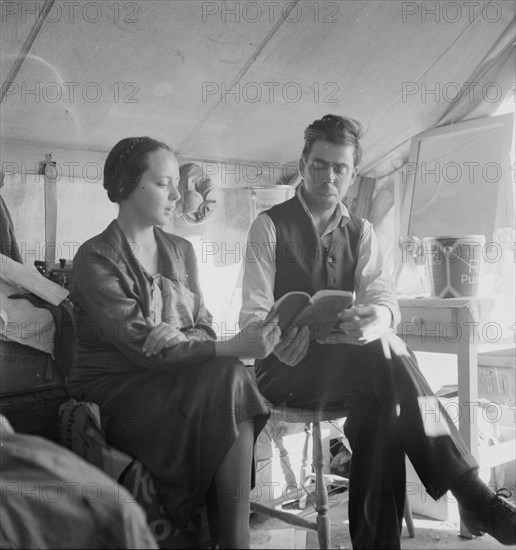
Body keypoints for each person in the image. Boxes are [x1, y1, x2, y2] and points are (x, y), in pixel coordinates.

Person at [240, 114, 516, 549]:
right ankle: (473, 494)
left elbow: (384, 298)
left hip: (351, 372)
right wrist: (270, 339)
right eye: (318, 164)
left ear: (351, 174)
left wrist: (379, 319)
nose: (328, 176)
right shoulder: (269, 226)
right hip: (283, 372)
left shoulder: (362, 231)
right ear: (302, 162)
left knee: (382, 397)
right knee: (390, 357)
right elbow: (252, 318)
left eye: (340, 168)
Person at [67, 137, 280, 549]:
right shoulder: (95, 258)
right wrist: (230, 346)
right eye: (165, 184)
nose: (180, 195)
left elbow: (203, 327)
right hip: (118, 387)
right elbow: (138, 345)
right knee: (230, 368)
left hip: (175, 375)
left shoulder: (181, 250)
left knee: (231, 376)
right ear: (129, 185)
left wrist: (180, 337)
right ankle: (235, 541)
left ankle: (235, 537)